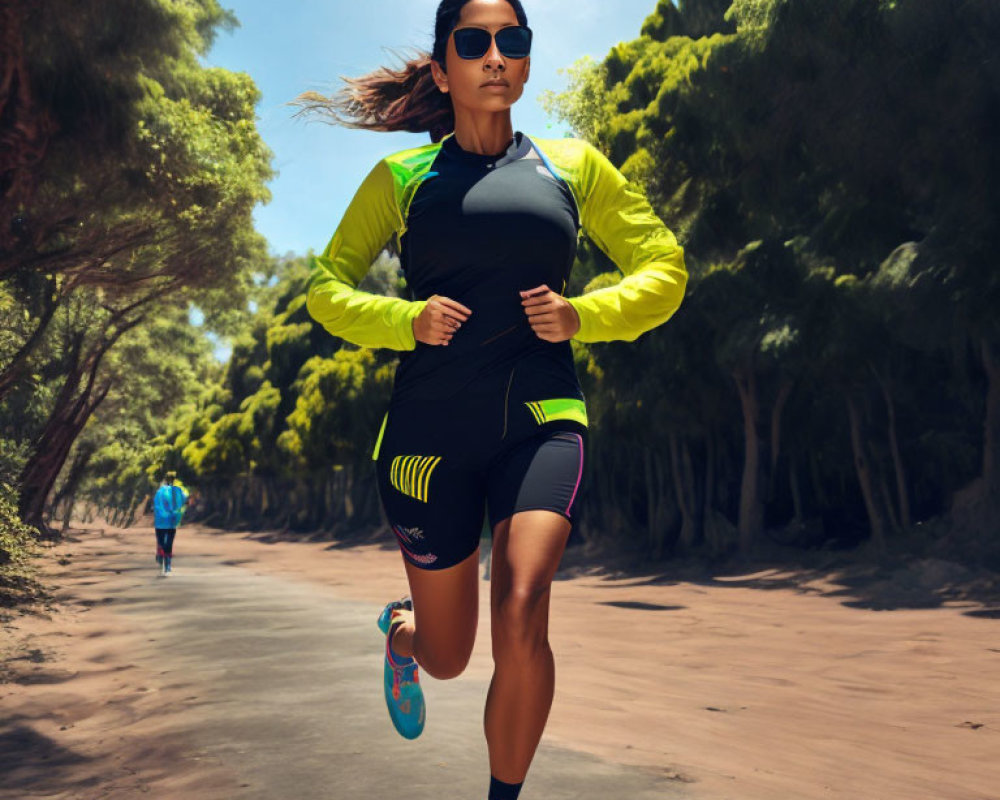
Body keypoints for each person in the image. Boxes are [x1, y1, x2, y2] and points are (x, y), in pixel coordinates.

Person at [302, 1, 687, 798]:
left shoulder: (574, 167)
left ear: (526, 59)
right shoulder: (402, 180)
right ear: (443, 70)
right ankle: (402, 639)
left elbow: (664, 267)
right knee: (449, 657)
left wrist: (587, 314)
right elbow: (325, 291)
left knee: (522, 606)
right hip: (427, 436)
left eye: (512, 41)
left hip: (542, 421)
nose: (495, 56)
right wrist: (405, 320)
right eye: (473, 43)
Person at [153, 471, 187, 576]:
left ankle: (160, 556)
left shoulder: (160, 491)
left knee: (161, 542)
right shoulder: (178, 491)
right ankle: (167, 566)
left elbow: (155, 504)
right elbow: (184, 500)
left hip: (160, 522)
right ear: (174, 479)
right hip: (172, 521)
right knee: (169, 544)